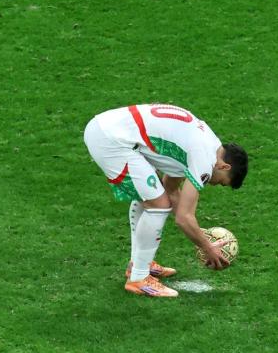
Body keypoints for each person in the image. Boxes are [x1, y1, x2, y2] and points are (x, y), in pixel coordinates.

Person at [84, 103, 249, 296]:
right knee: (158, 204)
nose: (214, 184)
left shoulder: (209, 143)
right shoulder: (205, 160)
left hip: (109, 129)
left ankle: (139, 264)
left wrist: (199, 234)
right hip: (111, 140)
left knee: (154, 197)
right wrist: (207, 247)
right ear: (224, 167)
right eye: (221, 182)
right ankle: (138, 278)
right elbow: (183, 218)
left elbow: (171, 189)